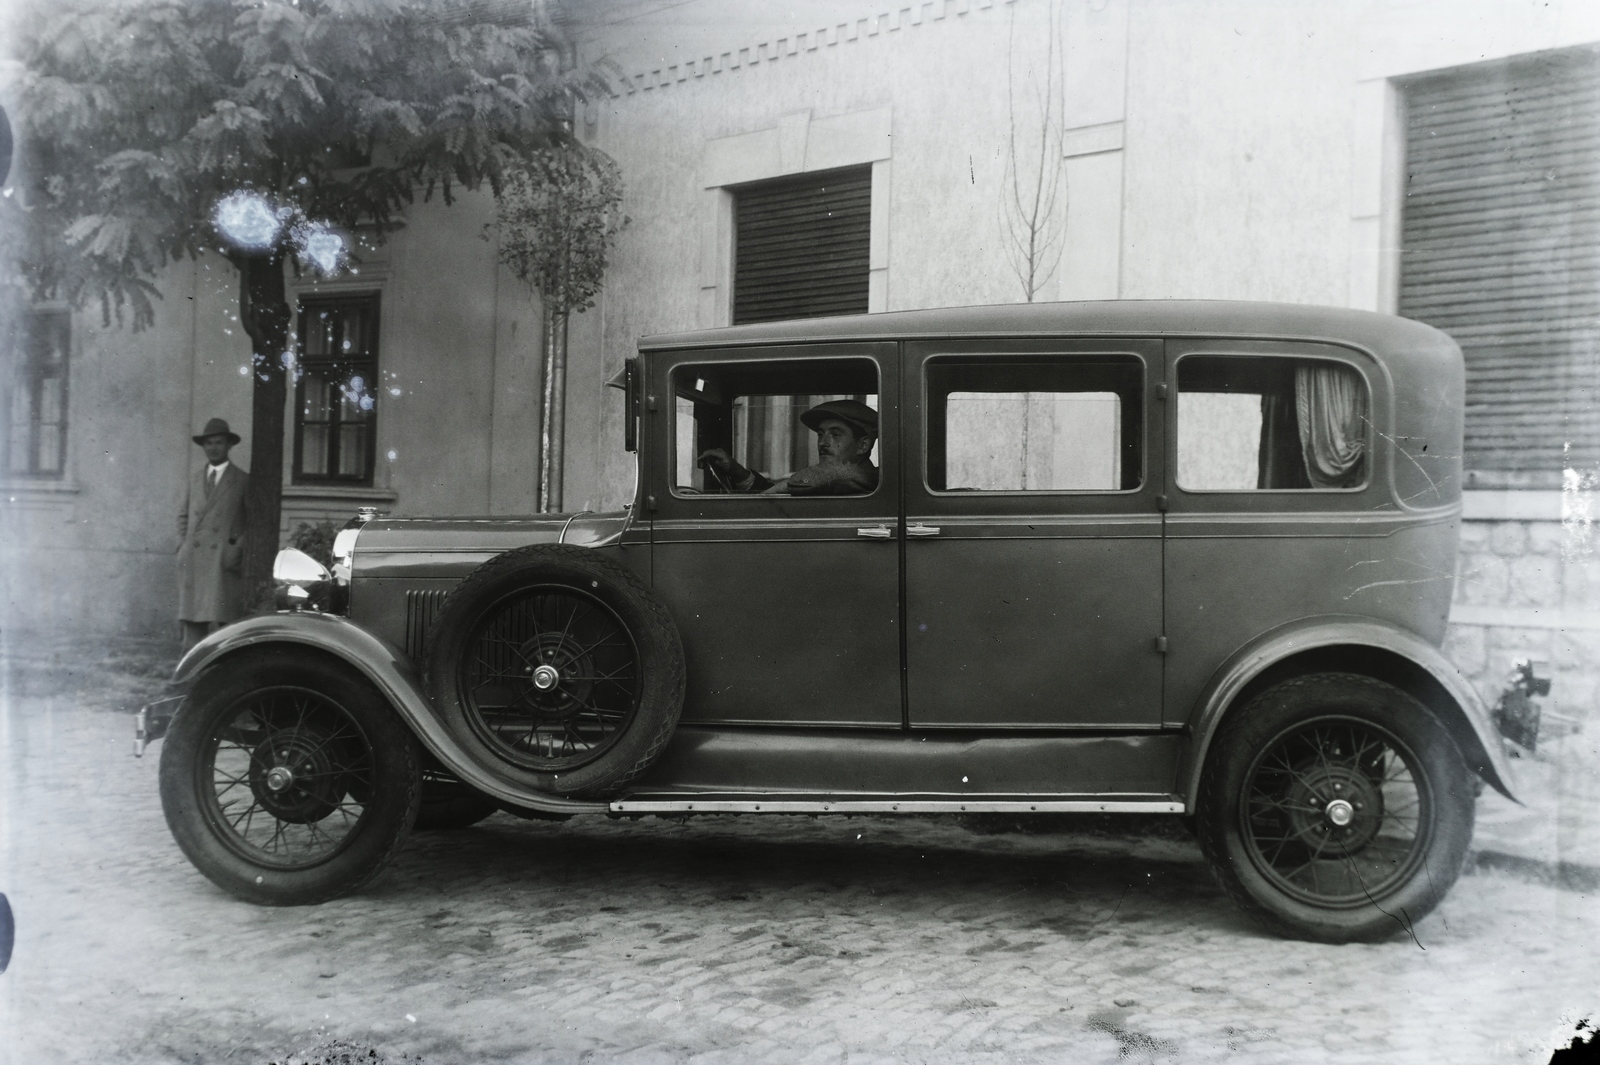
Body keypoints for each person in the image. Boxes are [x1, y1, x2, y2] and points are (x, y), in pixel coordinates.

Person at [698, 399, 879, 495]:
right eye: (821, 434)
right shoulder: (828, 482)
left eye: (835, 434)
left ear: (863, 445)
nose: (823, 443)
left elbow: (834, 475)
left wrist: (763, 498)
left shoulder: (864, 477)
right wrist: (736, 471)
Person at [177, 418, 249, 650]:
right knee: (193, 623)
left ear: (229, 445)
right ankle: (192, 676)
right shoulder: (196, 478)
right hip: (195, 561)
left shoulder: (242, 480)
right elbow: (182, 516)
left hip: (223, 563)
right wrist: (184, 546)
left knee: (226, 627)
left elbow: (252, 523)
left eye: (219, 442)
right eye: (209, 443)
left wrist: (235, 550)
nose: (213, 448)